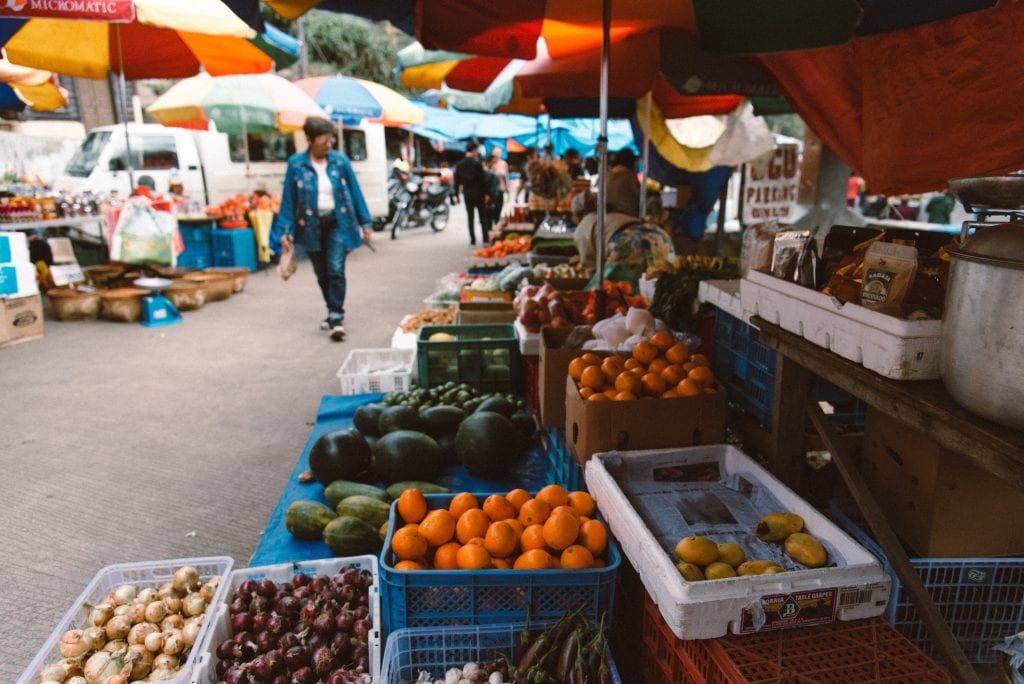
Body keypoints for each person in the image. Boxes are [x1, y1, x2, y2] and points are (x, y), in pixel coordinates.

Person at [273, 116, 373, 342]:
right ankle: (331, 309)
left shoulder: (340, 161)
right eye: (323, 140)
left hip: (338, 221)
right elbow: (289, 200)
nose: (329, 145)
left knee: (336, 268)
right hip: (310, 225)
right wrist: (284, 231)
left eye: (331, 140)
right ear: (310, 140)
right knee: (321, 272)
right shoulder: (296, 164)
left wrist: (365, 222)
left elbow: (355, 192)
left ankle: (336, 316)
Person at [452, 140, 490, 245]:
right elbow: (483, 180)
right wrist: (486, 193)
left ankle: (472, 239)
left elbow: (457, 182)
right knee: (482, 216)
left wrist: (456, 195)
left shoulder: (459, 165)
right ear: (473, 151)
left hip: (467, 193)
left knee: (470, 217)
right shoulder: (477, 164)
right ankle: (485, 238)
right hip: (479, 193)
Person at [606, 148, 641, 216]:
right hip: (625, 214)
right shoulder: (628, 175)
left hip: (608, 213)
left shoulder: (609, 173)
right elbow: (638, 194)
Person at [483, 145, 509, 224]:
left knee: (497, 212)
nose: (497, 155)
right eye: (495, 153)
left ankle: (496, 231)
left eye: (498, 153)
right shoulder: (487, 163)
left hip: (499, 190)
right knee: (488, 213)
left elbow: (505, 178)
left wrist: (507, 190)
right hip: (489, 192)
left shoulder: (503, 164)